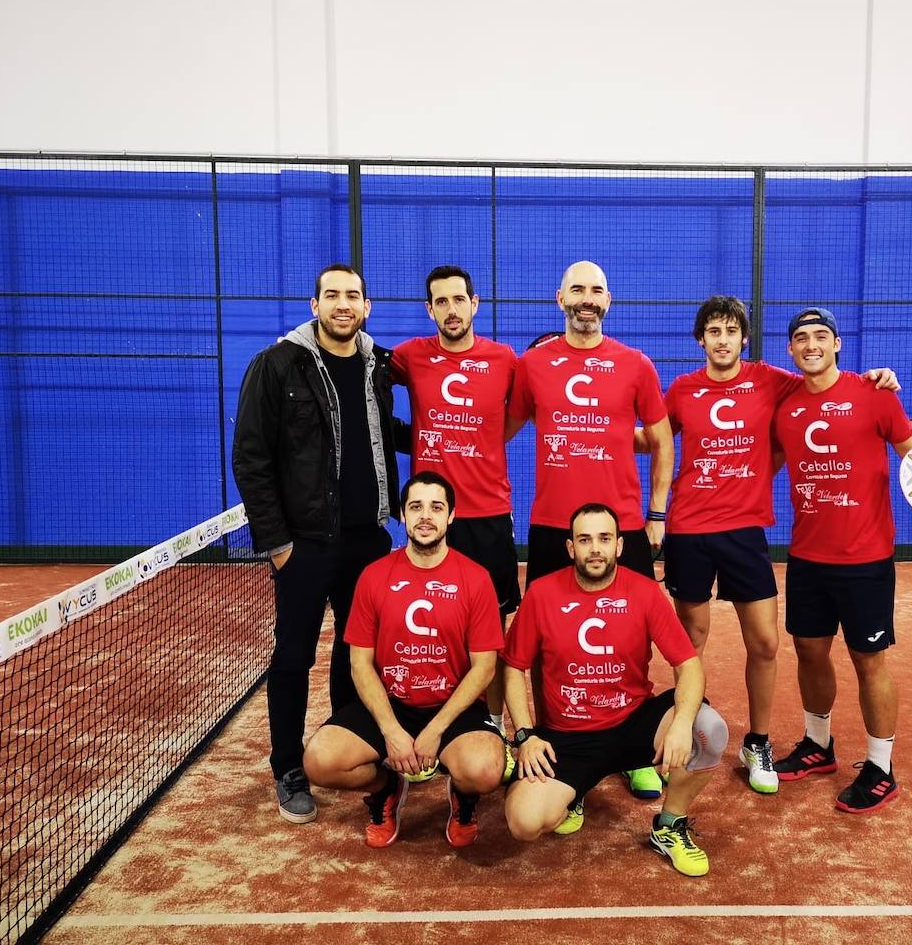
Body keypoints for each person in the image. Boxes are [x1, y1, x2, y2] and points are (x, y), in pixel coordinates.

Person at [660, 296, 898, 794]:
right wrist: (608, 428)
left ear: (745, 340)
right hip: (694, 529)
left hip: (750, 532)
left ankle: (761, 741)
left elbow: (833, 385)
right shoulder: (682, 389)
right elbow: (656, 438)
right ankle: (691, 732)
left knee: (767, 643)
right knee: (693, 639)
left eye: (731, 331)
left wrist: (880, 377)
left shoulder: (777, 380)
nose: (722, 339)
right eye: (713, 331)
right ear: (700, 339)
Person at [771, 306, 912, 813]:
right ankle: (817, 745)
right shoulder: (784, 405)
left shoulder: (875, 394)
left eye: (821, 336)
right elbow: (760, 465)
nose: (811, 345)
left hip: (865, 560)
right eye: (801, 338)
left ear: (837, 344)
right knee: (808, 652)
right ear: (790, 349)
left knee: (868, 661)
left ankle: (880, 767)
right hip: (806, 555)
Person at [232, 263, 407, 824]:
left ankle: (341, 746)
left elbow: (382, 430)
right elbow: (251, 458)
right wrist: (278, 544)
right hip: (303, 546)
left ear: (366, 306)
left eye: (352, 295)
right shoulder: (277, 364)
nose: (342, 304)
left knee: (355, 655)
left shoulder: (378, 365)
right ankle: (288, 766)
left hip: (367, 541)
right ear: (315, 305)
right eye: (331, 295)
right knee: (292, 657)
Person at [505, 260, 673, 801]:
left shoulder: (636, 364)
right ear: (559, 299)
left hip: (621, 527)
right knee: (539, 646)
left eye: (596, 290)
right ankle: (551, 745)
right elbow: (495, 427)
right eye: (577, 288)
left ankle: (632, 748)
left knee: (631, 637)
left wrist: (656, 513)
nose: (587, 298)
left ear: (609, 300)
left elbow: (662, 440)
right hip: (553, 526)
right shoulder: (534, 364)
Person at [501, 503, 728, 877]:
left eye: (604, 539)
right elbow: (513, 668)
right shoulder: (542, 594)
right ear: (570, 548)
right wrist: (525, 734)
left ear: (619, 546)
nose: (595, 548)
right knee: (523, 823)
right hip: (568, 738)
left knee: (710, 730)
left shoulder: (644, 592)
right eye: (585, 539)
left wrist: (681, 722)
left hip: (632, 724)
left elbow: (688, 665)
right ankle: (573, 793)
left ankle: (669, 825)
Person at [302, 471, 506, 847]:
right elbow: (359, 664)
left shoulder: (475, 579)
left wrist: (436, 729)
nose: (425, 516)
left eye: (436, 507)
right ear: (403, 514)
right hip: (392, 704)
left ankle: (464, 795)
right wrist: (392, 730)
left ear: (451, 516)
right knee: (319, 761)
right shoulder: (374, 576)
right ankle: (385, 789)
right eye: (416, 507)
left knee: (485, 770)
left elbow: (485, 668)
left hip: (452, 706)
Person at [391, 266, 520, 743]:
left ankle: (492, 722)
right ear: (430, 309)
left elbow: (527, 407)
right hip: (430, 515)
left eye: (458, 300)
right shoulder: (409, 357)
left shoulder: (504, 359)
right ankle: (430, 713)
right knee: (434, 620)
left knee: (493, 626)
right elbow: (356, 366)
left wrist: (485, 441)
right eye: (440, 302)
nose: (450, 310)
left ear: (475, 304)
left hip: (488, 514)